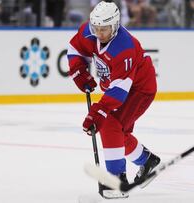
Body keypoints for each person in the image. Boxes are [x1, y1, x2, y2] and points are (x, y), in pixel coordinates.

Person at [67, 0, 161, 199]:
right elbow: (75, 49)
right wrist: (78, 70)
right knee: (118, 132)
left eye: (104, 29)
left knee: (109, 123)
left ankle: (116, 180)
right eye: (96, 28)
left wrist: (97, 113)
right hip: (119, 87)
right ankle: (146, 161)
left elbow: (118, 92)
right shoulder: (89, 31)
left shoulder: (123, 47)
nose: (99, 33)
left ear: (116, 26)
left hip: (139, 89)